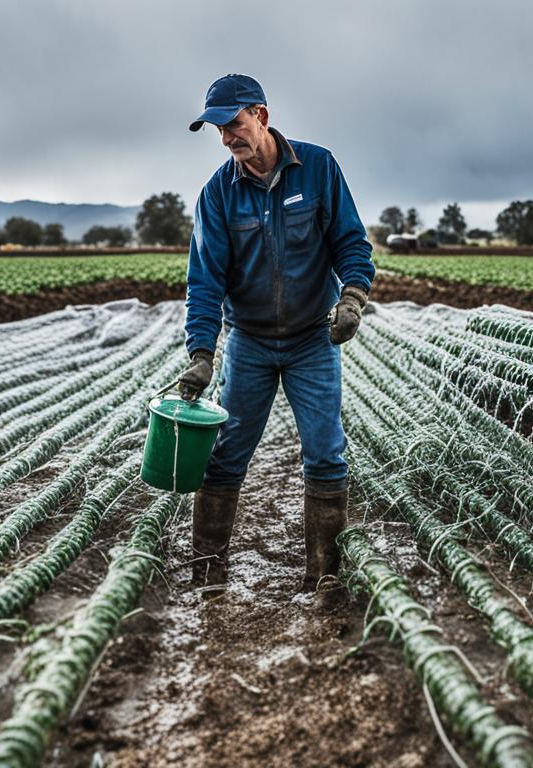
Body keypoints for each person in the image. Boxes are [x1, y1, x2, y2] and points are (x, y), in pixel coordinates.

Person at [179, 73, 375, 595]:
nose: (226, 138)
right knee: (226, 454)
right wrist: (202, 351)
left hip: (314, 339)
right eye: (218, 131)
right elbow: (205, 280)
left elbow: (352, 244)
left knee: (326, 452)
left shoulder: (318, 168)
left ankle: (324, 576)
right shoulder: (219, 194)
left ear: (261, 116)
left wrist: (352, 297)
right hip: (251, 341)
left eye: (233, 125)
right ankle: (208, 572)